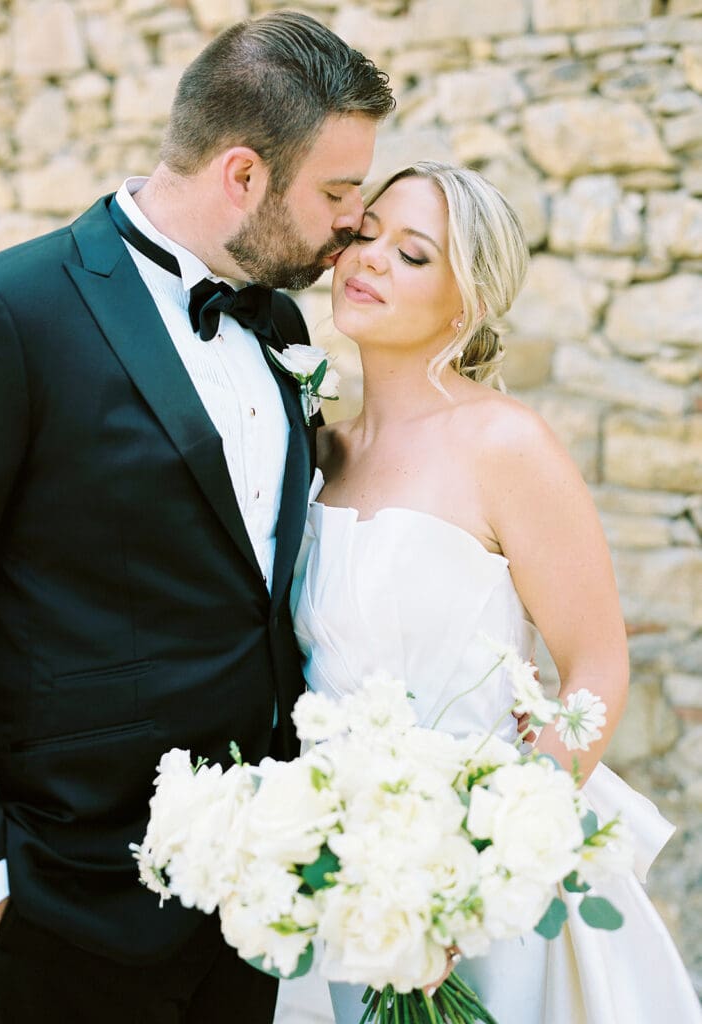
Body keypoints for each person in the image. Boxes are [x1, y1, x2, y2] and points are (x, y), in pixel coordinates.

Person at [0, 12, 393, 1024]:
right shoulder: (6, 315)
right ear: (241, 174)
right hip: (67, 899)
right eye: (335, 192)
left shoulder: (277, 319)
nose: (354, 223)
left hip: (249, 900)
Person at [290, 161, 702, 1023]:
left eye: (411, 255)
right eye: (364, 235)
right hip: (348, 883)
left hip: (493, 887)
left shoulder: (502, 445)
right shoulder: (316, 450)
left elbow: (595, 667)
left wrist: (486, 865)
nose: (366, 260)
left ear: (465, 303)